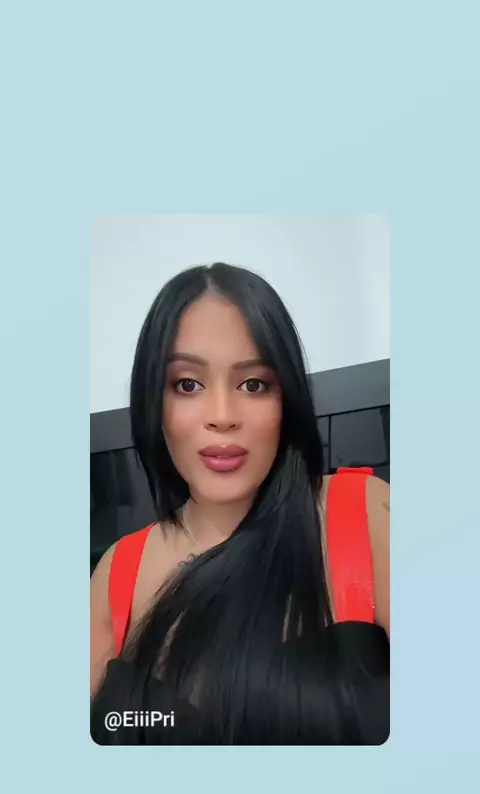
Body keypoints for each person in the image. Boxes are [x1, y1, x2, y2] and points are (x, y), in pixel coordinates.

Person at [90, 262, 390, 745]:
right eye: (187, 384)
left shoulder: (364, 512)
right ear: (153, 402)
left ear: (285, 400)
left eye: (254, 384)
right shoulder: (117, 571)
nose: (223, 416)